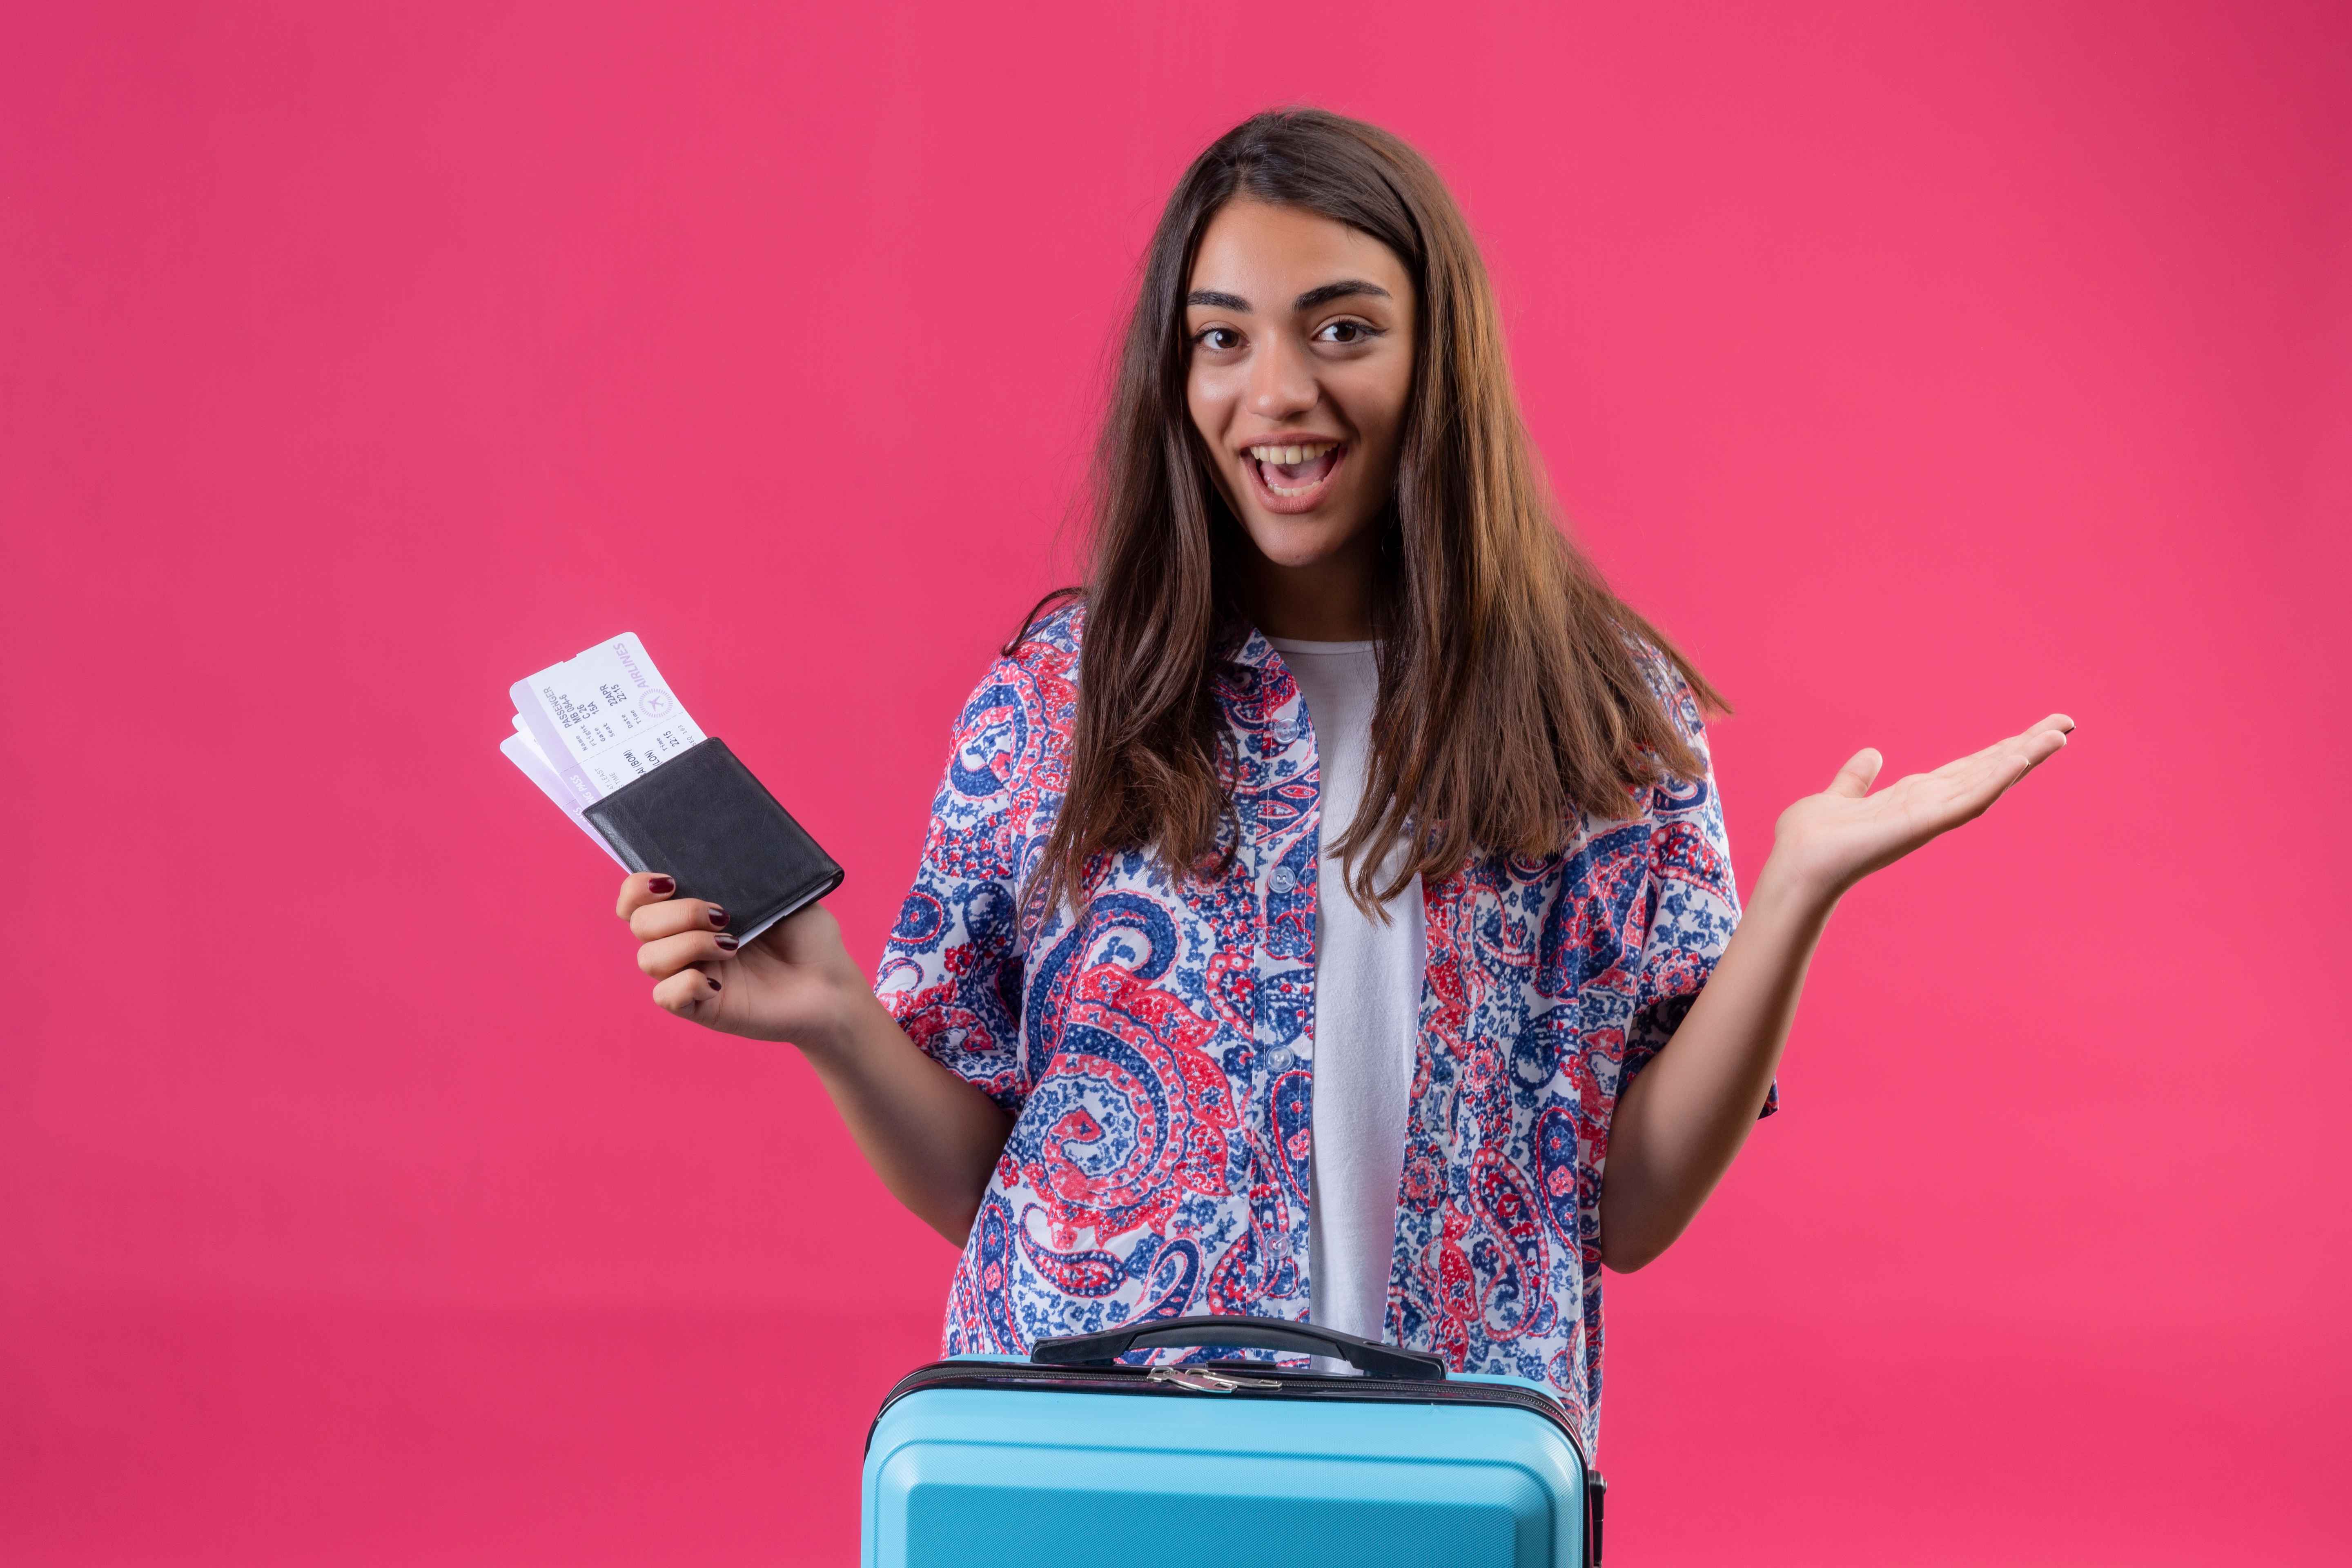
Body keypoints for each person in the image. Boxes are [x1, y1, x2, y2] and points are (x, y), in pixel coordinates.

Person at [609, 109, 2071, 1452]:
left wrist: (1796, 897)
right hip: (1092, 1461)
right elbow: (982, 1182)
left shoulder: (1607, 711)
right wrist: (840, 1024)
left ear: (1441, 356)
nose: (1278, 392)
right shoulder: (1062, 699)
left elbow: (1626, 1211)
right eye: (1223, 339)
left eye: (1343, 328)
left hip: (1440, 1464)